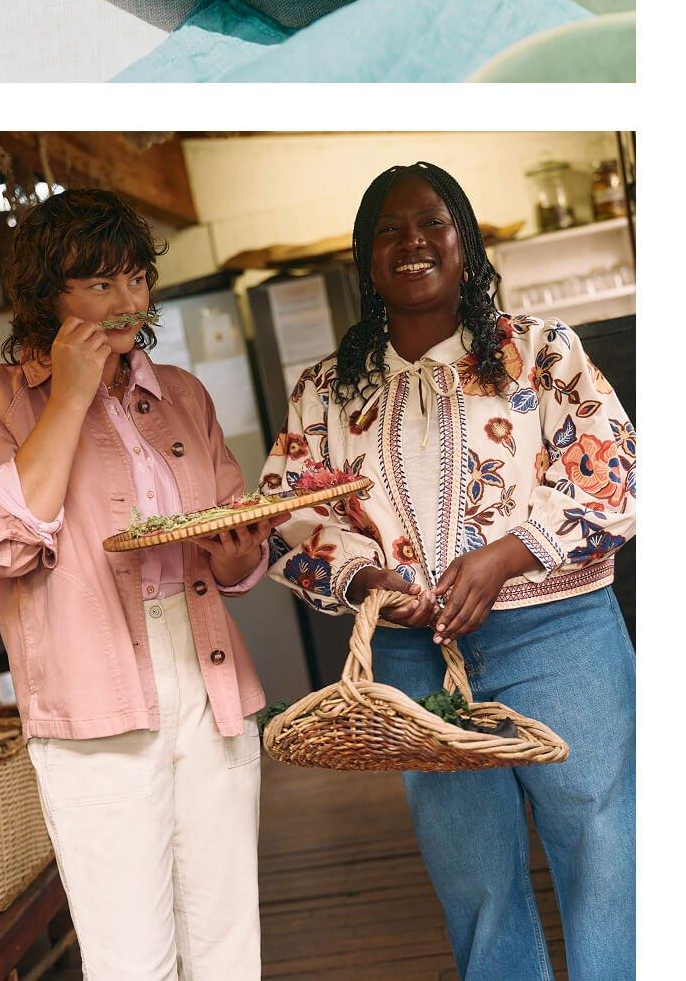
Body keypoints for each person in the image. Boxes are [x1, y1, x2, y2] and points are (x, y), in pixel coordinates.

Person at [260, 161, 635, 981]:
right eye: (389, 230)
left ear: (465, 243)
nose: (412, 242)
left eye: (433, 222)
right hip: (411, 657)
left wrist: (506, 558)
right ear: (364, 259)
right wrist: (363, 582)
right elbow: (286, 516)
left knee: (602, 839)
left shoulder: (541, 352)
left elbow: (618, 472)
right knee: (472, 873)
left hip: (557, 636)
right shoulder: (325, 392)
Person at [0, 188, 285, 981]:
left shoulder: (181, 393)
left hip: (207, 681)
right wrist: (70, 392)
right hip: (90, 698)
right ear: (46, 294)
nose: (127, 302)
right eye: (99, 284)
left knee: (226, 939)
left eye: (136, 278)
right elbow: (4, 542)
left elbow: (231, 556)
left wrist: (242, 550)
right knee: (131, 956)